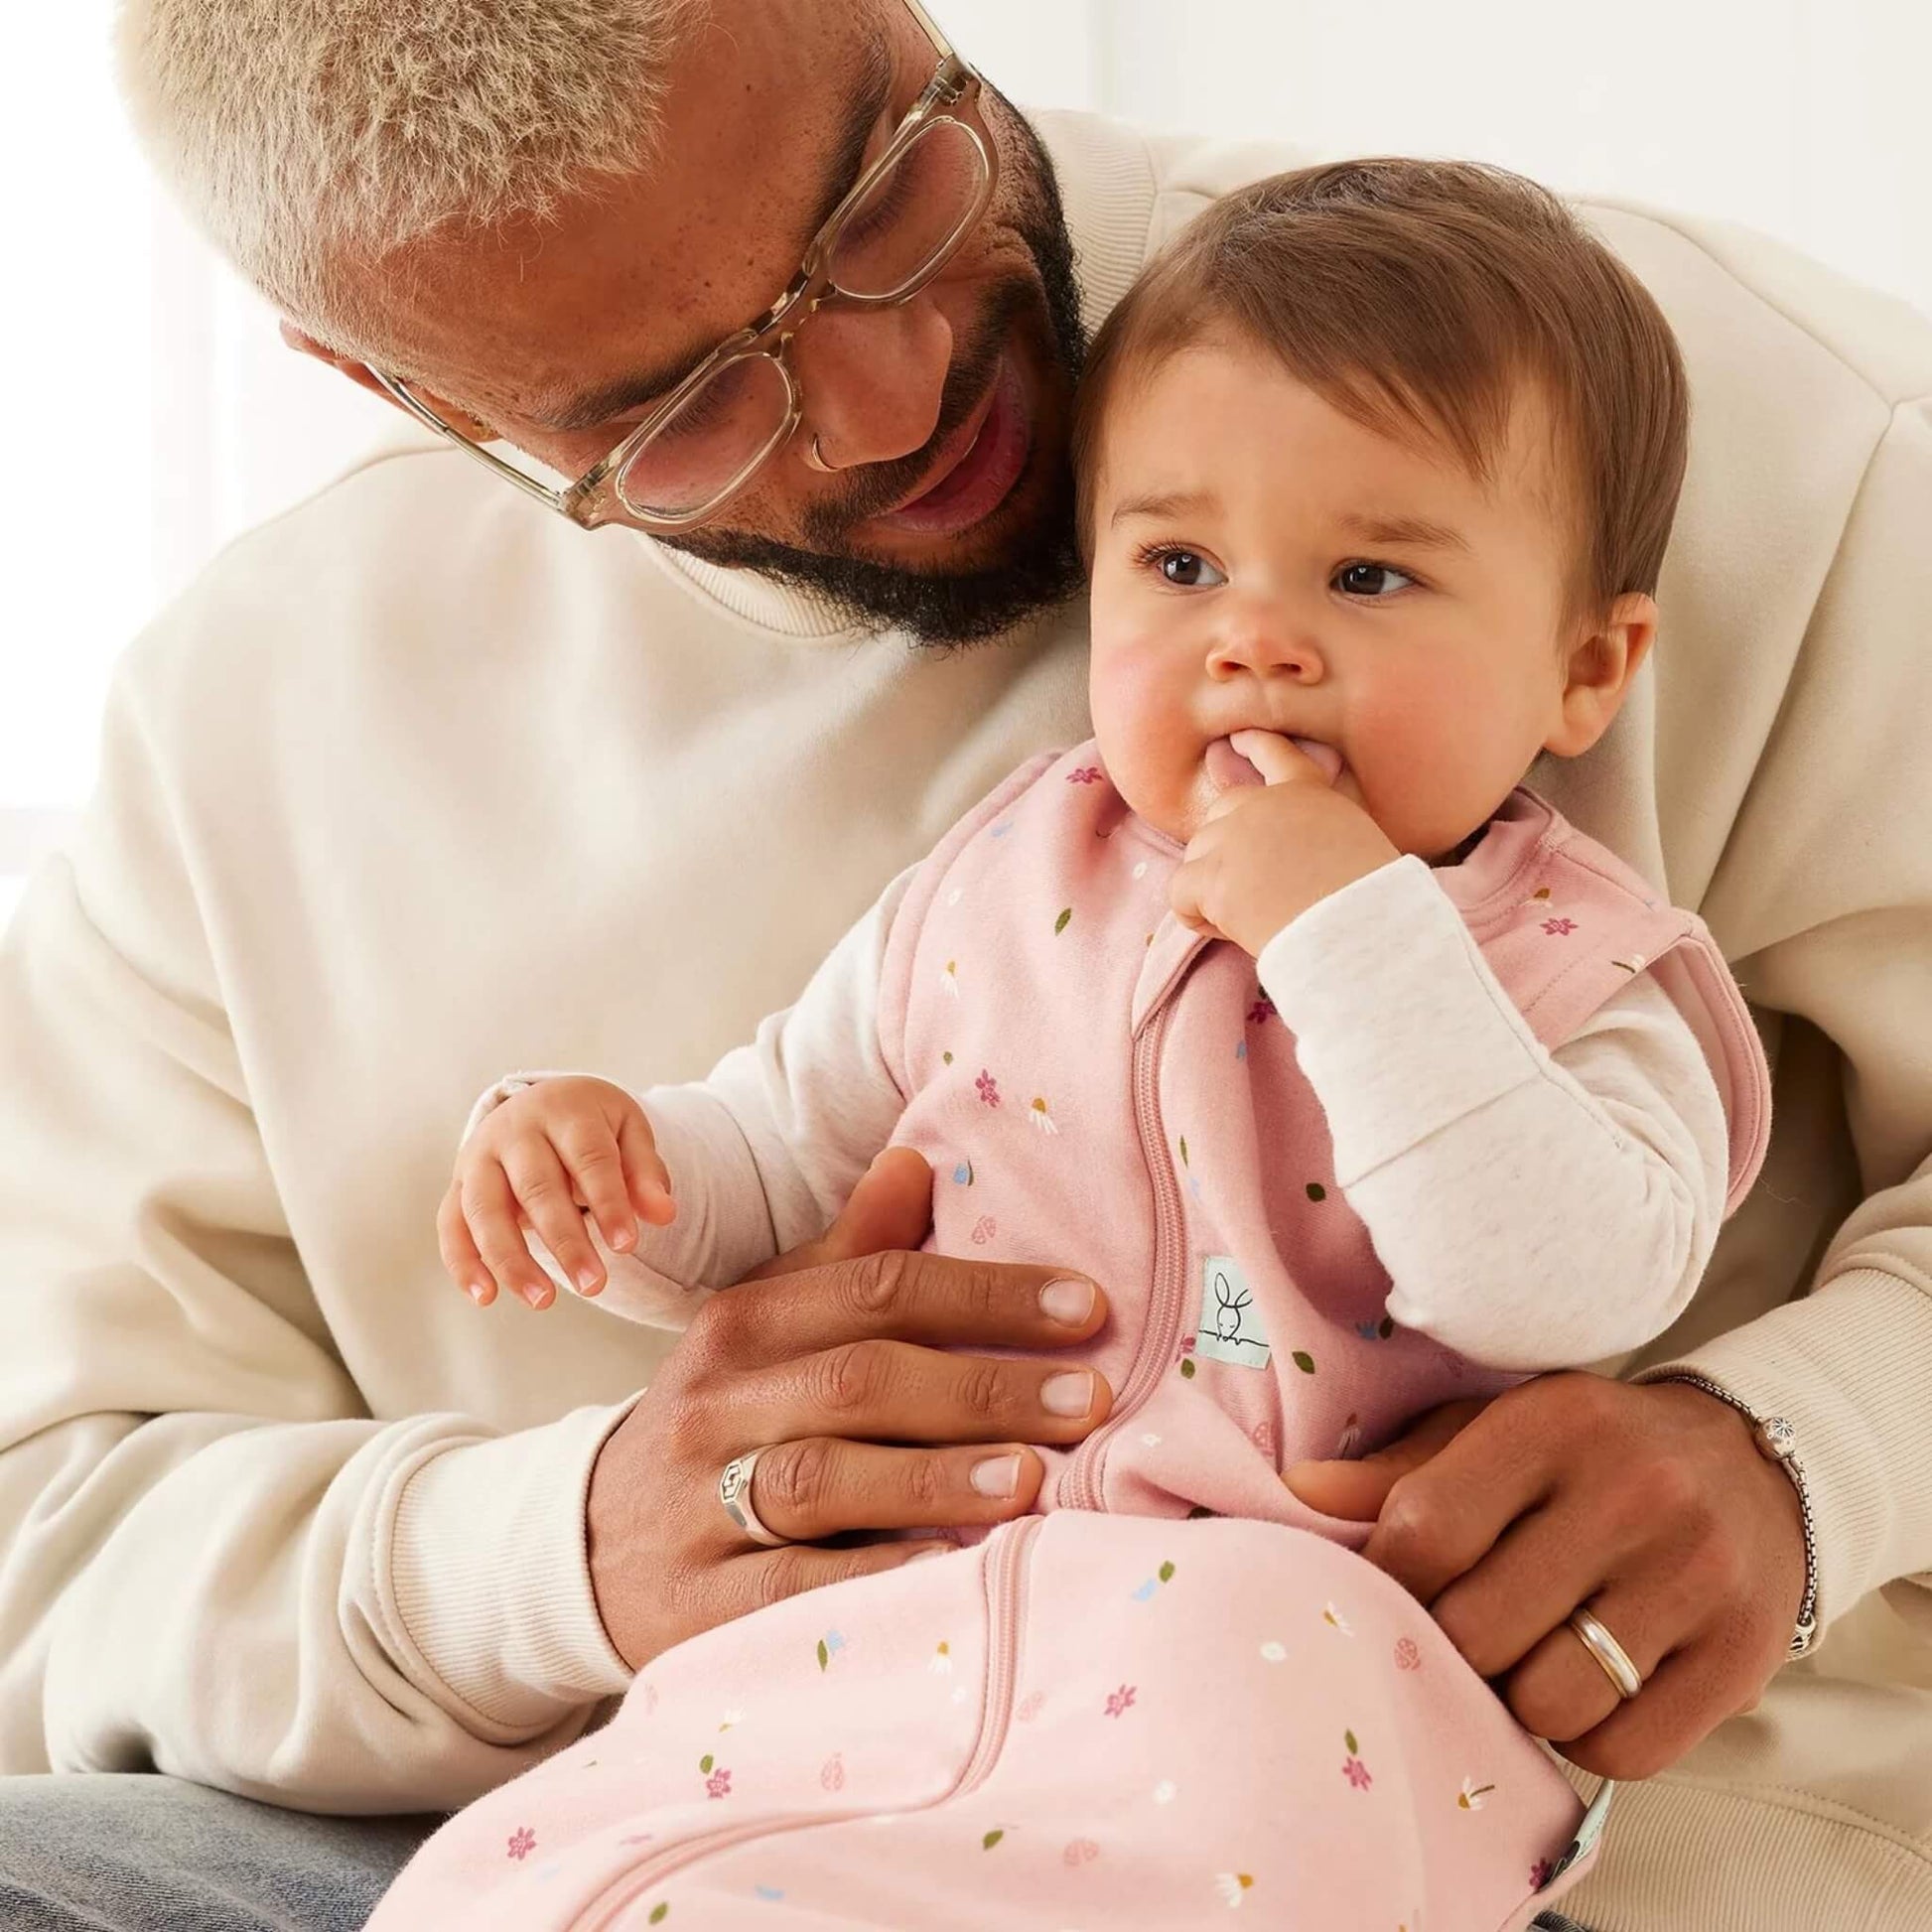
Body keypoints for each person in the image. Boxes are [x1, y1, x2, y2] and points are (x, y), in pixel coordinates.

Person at [0, 0, 1925, 1926]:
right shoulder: (239, 726)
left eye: (884, 190)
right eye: (680, 404)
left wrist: (1806, 1445)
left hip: (1418, 1805)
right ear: (398, 385)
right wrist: (561, 1545)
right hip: (689, 1783)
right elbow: (47, 1540)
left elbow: (1567, 1250)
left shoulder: (1681, 413)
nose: (894, 393)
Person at [358, 161, 1774, 1931]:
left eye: (1367, 574)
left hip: (1280, 1649)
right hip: (917, 1619)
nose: (1254, 642)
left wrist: (1346, 928)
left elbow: (1557, 1283)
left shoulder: (1567, 957)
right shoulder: (1018, 869)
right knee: (569, 1858)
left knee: (1242, 1717)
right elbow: (779, 1156)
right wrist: (613, 1168)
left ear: (1585, 666)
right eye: (1179, 564)